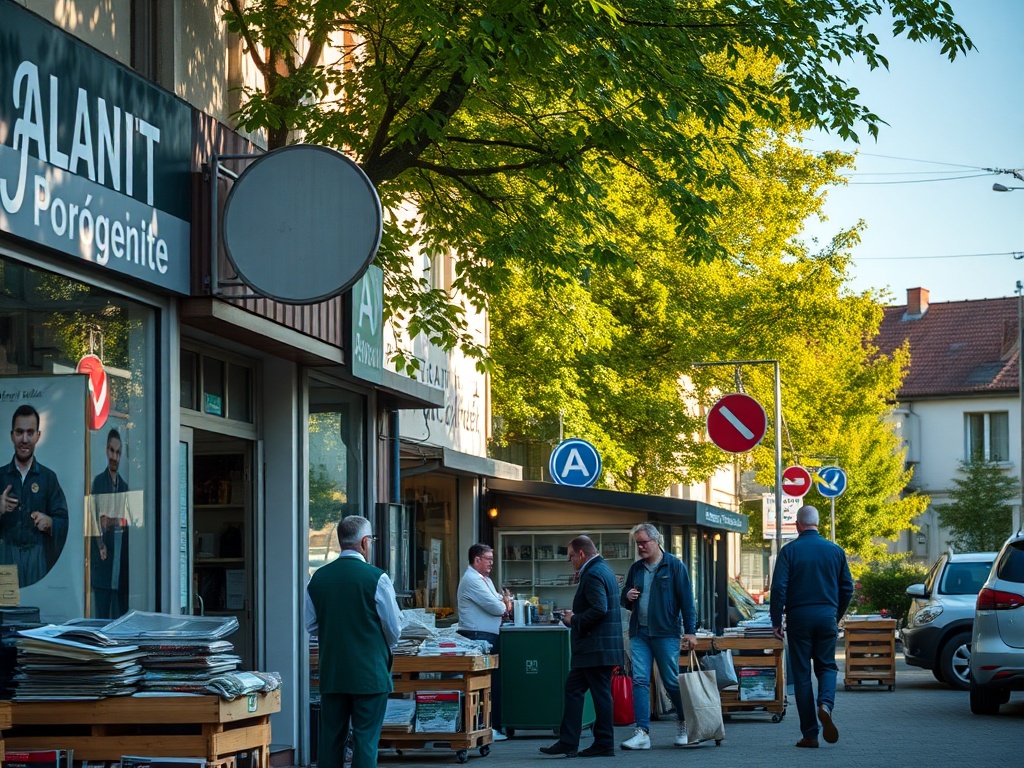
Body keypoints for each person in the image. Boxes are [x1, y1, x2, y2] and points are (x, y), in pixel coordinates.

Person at [306, 515, 402, 768]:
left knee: (329, 739)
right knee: (366, 739)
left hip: (333, 670)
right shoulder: (377, 578)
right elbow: (393, 628)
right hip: (370, 671)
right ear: (364, 542)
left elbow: (311, 625)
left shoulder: (318, 578)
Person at [770, 505, 854, 748]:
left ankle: (810, 734)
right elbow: (847, 587)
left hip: (799, 619)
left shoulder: (790, 551)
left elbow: (778, 589)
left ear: (797, 524)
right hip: (827, 616)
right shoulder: (835, 551)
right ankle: (825, 704)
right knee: (827, 666)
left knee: (802, 675)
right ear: (819, 524)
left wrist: (777, 620)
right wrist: (835, 614)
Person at [540, 535, 624, 758]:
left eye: (570, 557)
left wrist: (573, 619)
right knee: (576, 690)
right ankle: (570, 742)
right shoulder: (603, 568)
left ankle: (602, 743)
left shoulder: (594, 573)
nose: (570, 562)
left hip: (595, 646)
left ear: (581, 554)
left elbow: (599, 609)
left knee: (599, 694)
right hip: (598, 646)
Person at [619, 522, 698, 749]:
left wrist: (690, 631)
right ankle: (642, 732)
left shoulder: (674, 566)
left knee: (671, 680)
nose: (641, 547)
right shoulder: (636, 568)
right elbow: (623, 596)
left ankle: (684, 724)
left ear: (657, 541)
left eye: (644, 542)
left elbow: (686, 601)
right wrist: (628, 595)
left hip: (666, 633)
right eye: (638, 543)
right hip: (639, 632)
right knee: (640, 680)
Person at [0, 404, 69, 587]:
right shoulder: (0, 476)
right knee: (7, 611)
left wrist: (50, 523)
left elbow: (65, 522)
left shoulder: (48, 478)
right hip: (6, 557)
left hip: (37, 557)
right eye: (19, 432)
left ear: (38, 436)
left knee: (36, 607)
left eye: (30, 432)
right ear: (11, 435)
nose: (24, 439)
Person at [457, 543, 512, 742]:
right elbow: (498, 607)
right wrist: (504, 602)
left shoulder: (485, 580)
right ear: (477, 559)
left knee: (490, 683)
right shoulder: (472, 580)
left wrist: (503, 602)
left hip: (486, 636)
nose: (491, 563)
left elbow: (500, 601)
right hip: (477, 637)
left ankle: (490, 725)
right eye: (488, 559)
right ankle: (484, 726)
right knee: (483, 684)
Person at [90, 428, 130, 618]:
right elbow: (93, 520)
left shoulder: (125, 487)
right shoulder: (99, 482)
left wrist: (112, 520)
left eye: (118, 452)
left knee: (121, 623)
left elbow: (132, 520)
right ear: (106, 451)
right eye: (111, 451)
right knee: (101, 622)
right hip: (103, 568)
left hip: (122, 569)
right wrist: (100, 545)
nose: (114, 456)